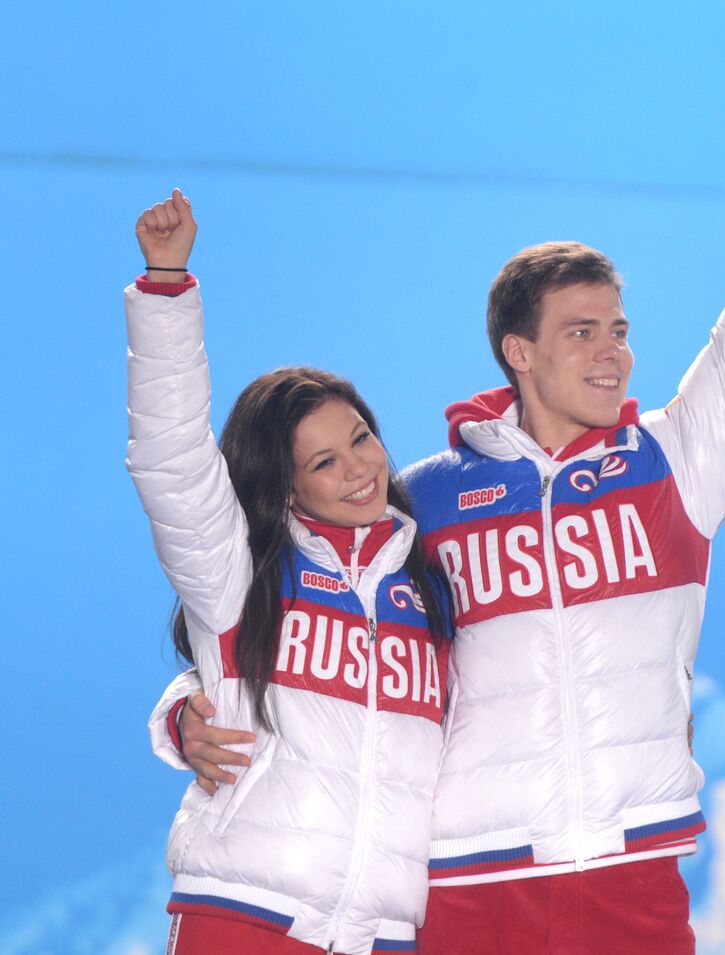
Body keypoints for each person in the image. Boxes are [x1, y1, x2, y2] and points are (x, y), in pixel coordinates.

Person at [161, 29, 725, 952]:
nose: (612, 350)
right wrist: (188, 712)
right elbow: (288, 614)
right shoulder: (419, 503)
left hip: (632, 873)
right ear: (520, 351)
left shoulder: (676, 465)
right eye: (582, 331)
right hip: (466, 883)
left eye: (620, 328)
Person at [127, 191, 451, 954]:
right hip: (244, 917)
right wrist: (166, 285)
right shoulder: (240, 575)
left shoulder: (432, 588)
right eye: (324, 461)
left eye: (362, 438)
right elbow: (172, 464)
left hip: (381, 934)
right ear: (283, 485)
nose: (359, 470)